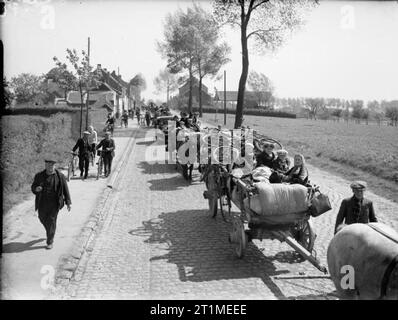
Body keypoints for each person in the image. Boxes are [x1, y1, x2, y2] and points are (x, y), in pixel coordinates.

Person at [31, 159, 71, 249]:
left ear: (54, 166)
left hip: (54, 203)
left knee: (52, 221)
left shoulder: (60, 176)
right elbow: (33, 187)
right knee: (42, 218)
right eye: (48, 165)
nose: (50, 167)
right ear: (45, 165)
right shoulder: (39, 176)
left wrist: (68, 202)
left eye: (52, 165)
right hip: (42, 202)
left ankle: (50, 241)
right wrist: (36, 189)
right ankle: (49, 231)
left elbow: (65, 189)